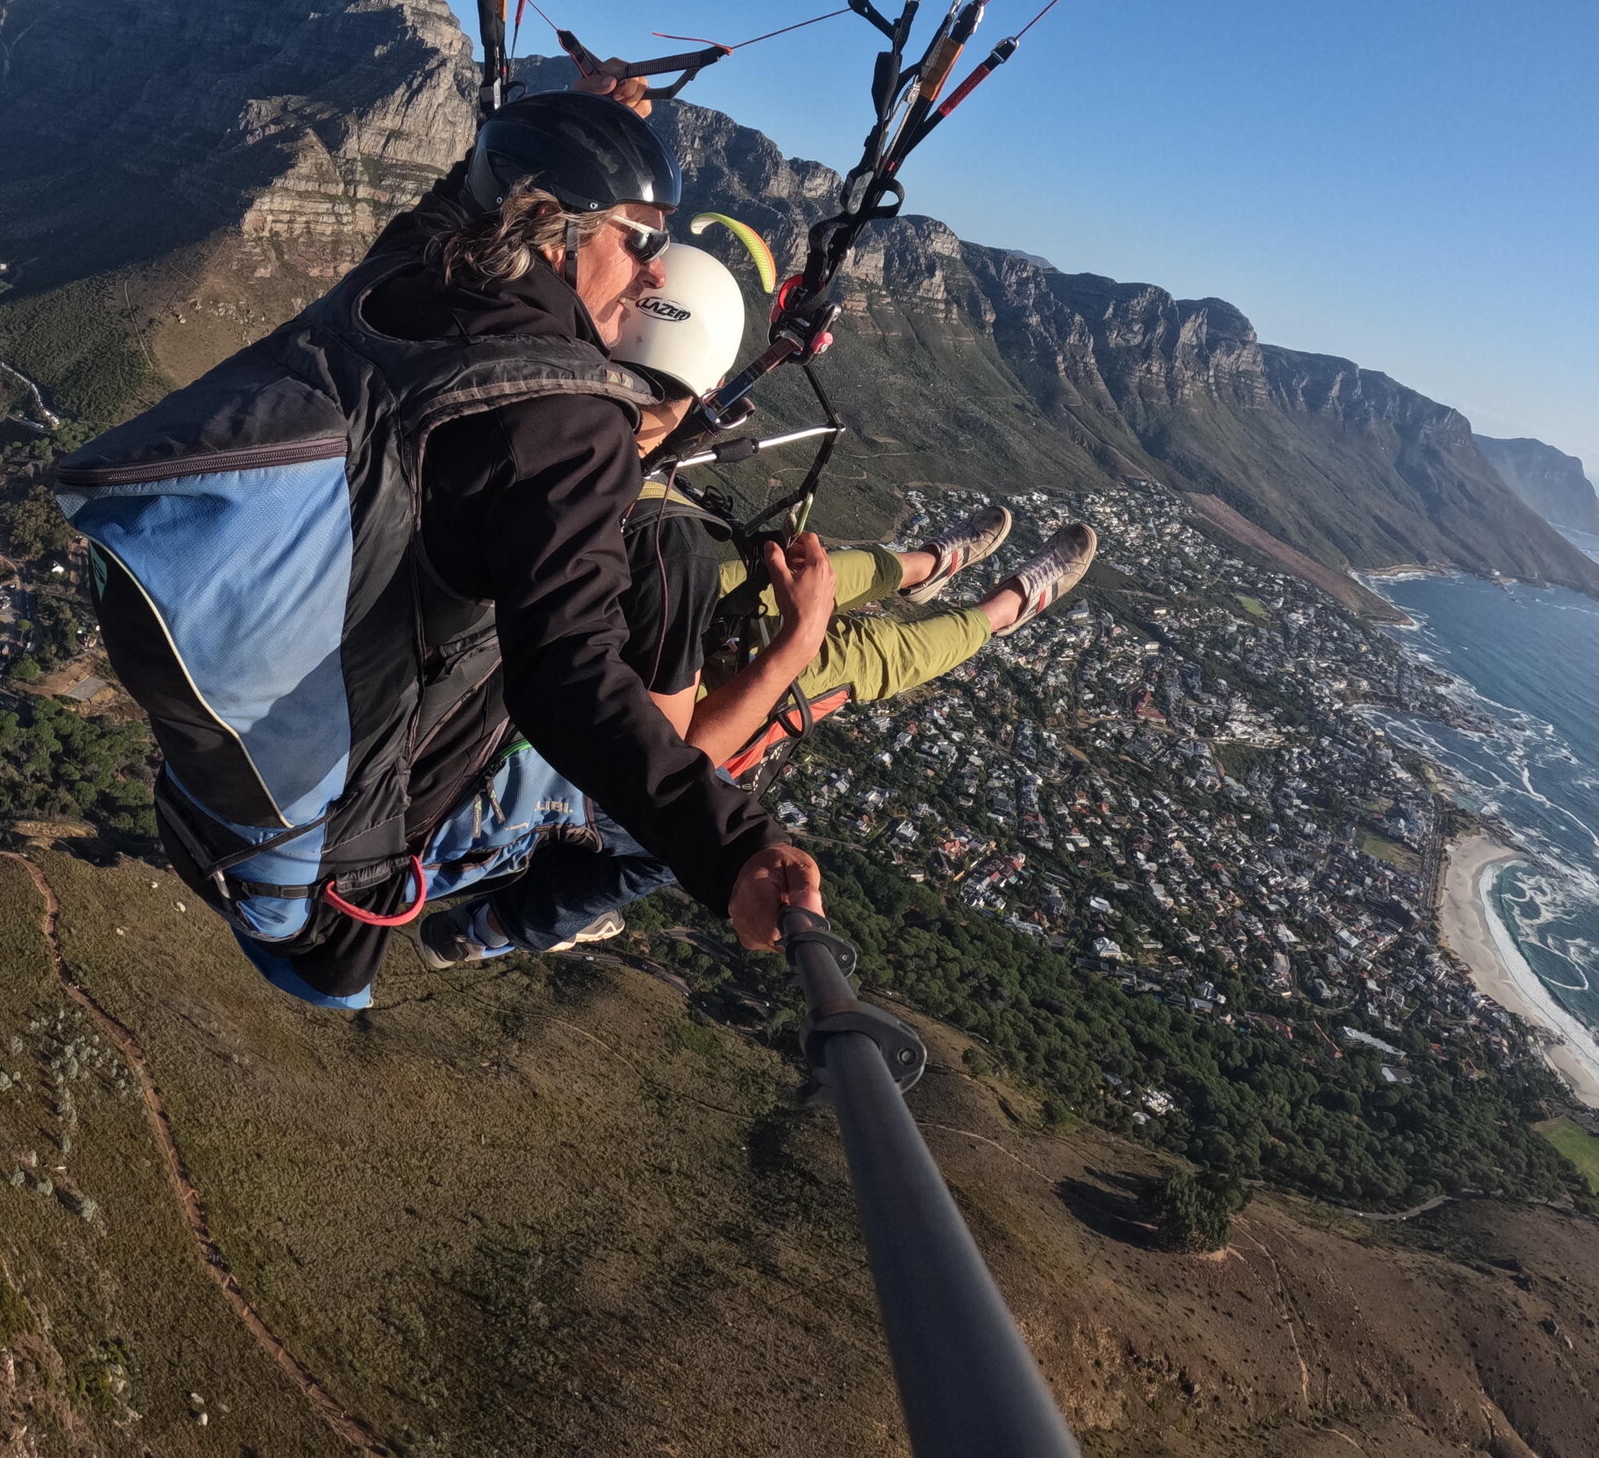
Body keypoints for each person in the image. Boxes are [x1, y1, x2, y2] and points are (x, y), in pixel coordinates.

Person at [57, 91, 821, 1012]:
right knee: (675, 795)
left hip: (221, 817)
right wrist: (733, 844)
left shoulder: (402, 276)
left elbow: (461, 196)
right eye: (643, 235)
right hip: (341, 879)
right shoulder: (570, 422)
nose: (654, 266)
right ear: (560, 229)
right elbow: (569, 678)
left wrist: (574, 131)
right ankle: (497, 926)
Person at [416, 241, 1096, 965]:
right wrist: (790, 651)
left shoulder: (506, 421)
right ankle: (1000, 610)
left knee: (798, 576)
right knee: (853, 657)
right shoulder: (661, 539)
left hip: (494, 697)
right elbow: (674, 764)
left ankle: (927, 564)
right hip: (547, 743)